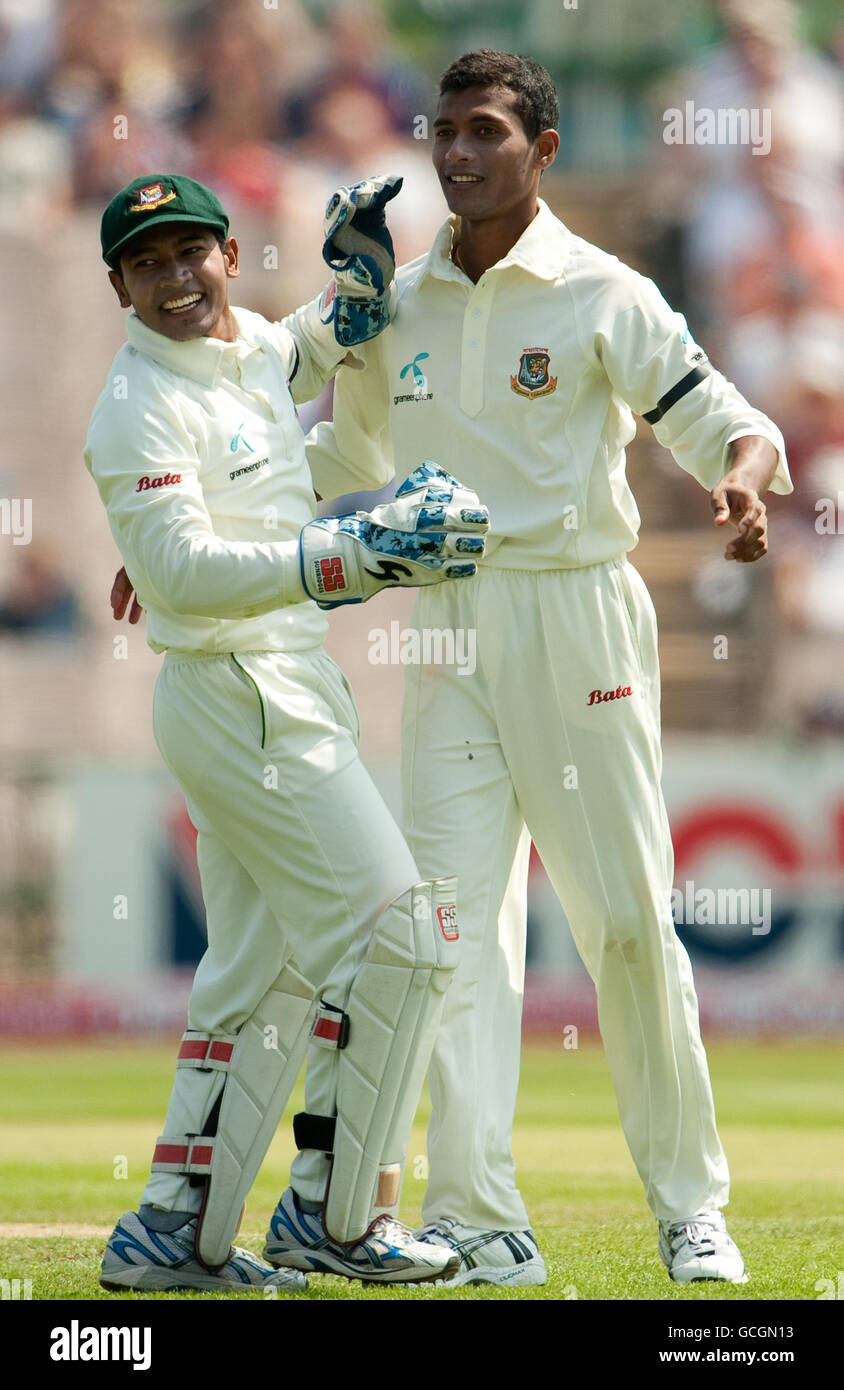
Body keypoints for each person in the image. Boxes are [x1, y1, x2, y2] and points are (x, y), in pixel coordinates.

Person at [299, 51, 793, 1287]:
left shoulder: (599, 290)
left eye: (483, 133)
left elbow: (721, 413)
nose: (456, 155)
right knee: (451, 935)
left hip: (576, 621)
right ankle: (476, 1218)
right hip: (448, 626)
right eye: (442, 134)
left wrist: (738, 475)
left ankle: (691, 1209)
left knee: (625, 925)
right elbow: (333, 455)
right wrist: (322, 352)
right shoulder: (395, 300)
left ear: (543, 149)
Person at [85, 171, 490, 1294]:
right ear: (117, 284)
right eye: (146, 263)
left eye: (189, 253)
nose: (174, 279)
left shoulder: (247, 346)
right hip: (237, 693)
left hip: (276, 683)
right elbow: (177, 569)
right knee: (404, 942)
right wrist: (349, 557)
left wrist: (361, 269)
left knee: (258, 976)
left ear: (225, 252)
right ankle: (337, 1215)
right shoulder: (134, 405)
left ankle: (174, 1232)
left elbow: (316, 342)